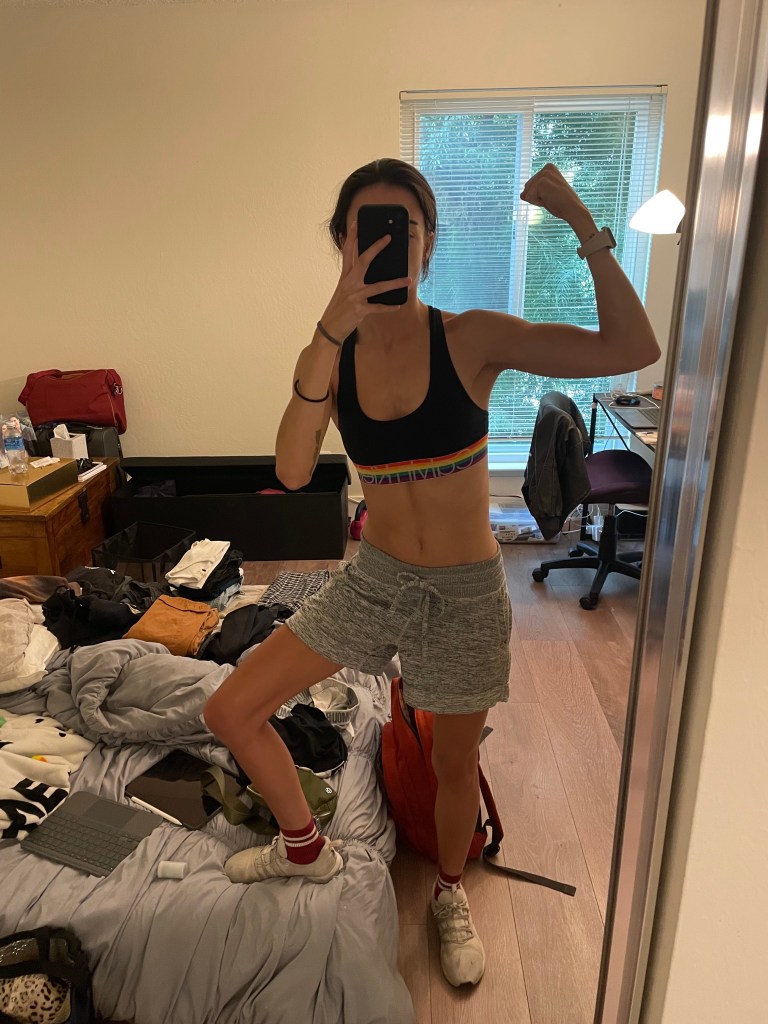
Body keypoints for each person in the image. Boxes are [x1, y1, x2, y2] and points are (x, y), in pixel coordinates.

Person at [203, 158, 661, 987]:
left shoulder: (470, 338)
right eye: (366, 230)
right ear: (342, 242)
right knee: (230, 709)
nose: (387, 245)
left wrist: (576, 218)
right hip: (374, 580)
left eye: (404, 229)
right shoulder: (329, 356)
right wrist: (327, 331)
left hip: (466, 593)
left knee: (454, 768)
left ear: (428, 243)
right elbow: (294, 471)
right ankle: (304, 846)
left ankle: (450, 891)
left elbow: (633, 347)